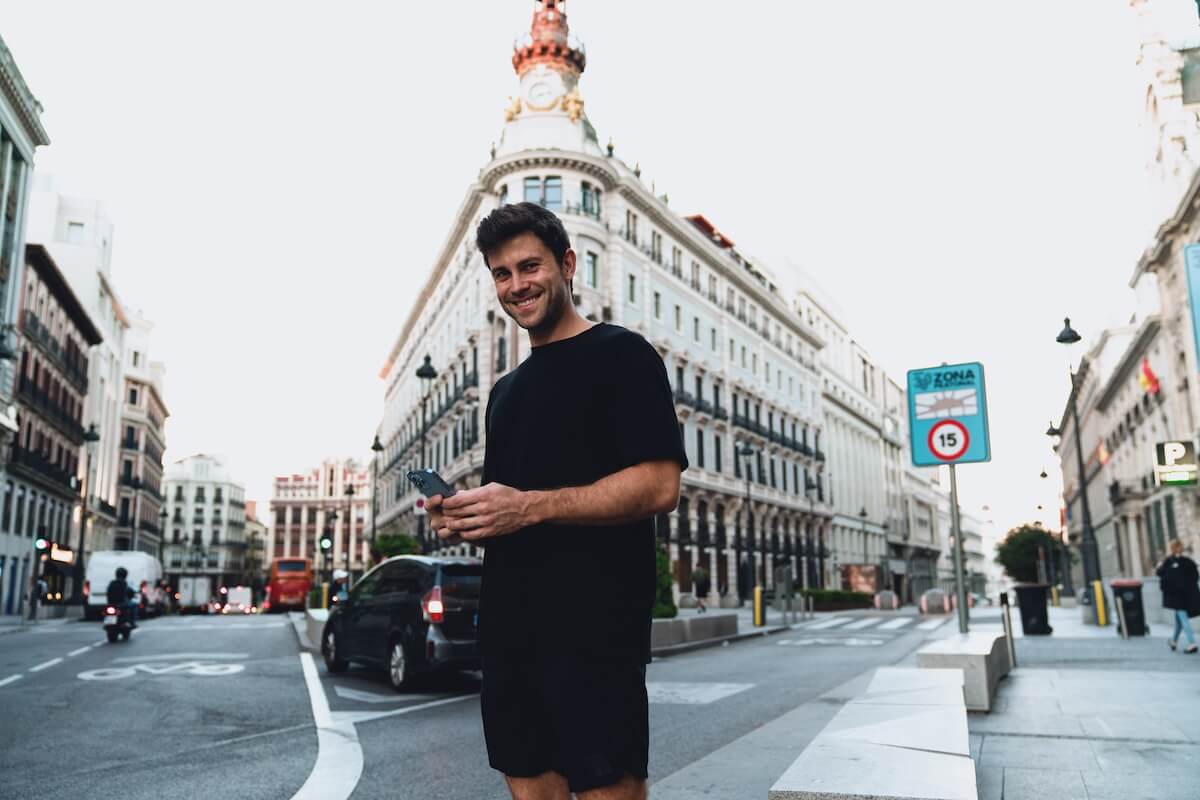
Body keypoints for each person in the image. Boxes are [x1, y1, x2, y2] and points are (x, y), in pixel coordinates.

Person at [428, 202, 687, 800]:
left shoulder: (623, 355)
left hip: (595, 637)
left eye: (529, 266)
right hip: (510, 637)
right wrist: (467, 518)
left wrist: (528, 507)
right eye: (501, 273)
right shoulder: (504, 393)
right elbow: (510, 505)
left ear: (567, 264)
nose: (516, 285)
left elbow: (659, 485)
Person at [1157, 539, 1199, 654]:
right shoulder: (1188, 561)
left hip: (1176, 596)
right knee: (1179, 619)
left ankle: (1192, 643)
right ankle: (1174, 641)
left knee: (1183, 618)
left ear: (1171, 548)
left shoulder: (1169, 561)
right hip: (1188, 595)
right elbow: (1195, 576)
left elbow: (1160, 573)